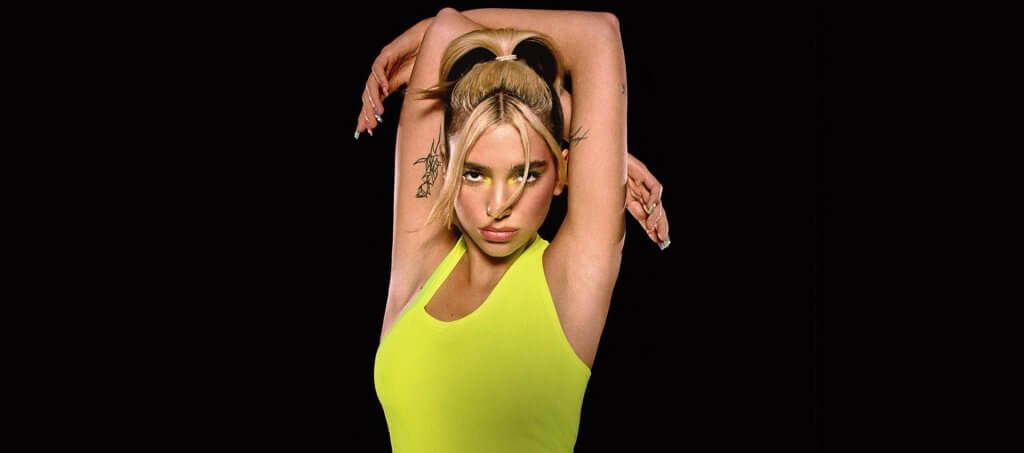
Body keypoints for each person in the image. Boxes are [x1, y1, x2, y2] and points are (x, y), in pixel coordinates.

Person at [355, 8, 669, 452]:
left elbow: (599, 33)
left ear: (561, 173)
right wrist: (558, 117)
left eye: (526, 174)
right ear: (446, 168)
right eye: (474, 173)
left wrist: (593, 149)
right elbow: (447, 26)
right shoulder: (421, 260)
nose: (498, 206)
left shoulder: (570, 281)